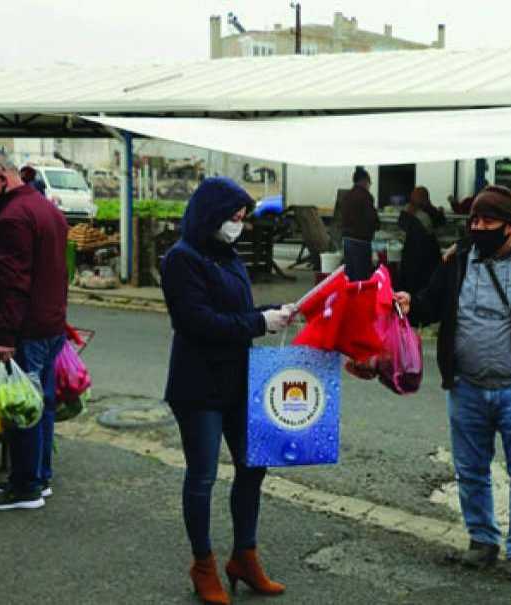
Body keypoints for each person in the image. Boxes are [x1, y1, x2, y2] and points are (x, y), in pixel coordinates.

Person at [395, 185, 511, 582]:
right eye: (474, 221)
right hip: (466, 387)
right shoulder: (459, 259)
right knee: (470, 469)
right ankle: (482, 540)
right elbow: (431, 302)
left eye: (488, 221)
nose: (478, 228)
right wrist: (411, 303)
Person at [161, 177, 296, 604]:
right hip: (198, 386)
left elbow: (235, 313)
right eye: (232, 217)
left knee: (253, 467)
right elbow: (196, 322)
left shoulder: (229, 256)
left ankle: (245, 556)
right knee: (202, 477)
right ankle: (203, 564)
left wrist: (270, 314)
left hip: (239, 380)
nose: (238, 225)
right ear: (210, 214)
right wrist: (258, 324)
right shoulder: (181, 259)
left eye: (241, 218)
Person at [0, 149, 69, 511]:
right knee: (39, 404)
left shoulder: (13, 218)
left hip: (26, 329)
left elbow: (16, 285)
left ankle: (25, 486)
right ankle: (39, 477)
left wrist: (5, 337)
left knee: (20, 408)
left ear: (2, 177)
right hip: (49, 324)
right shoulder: (44, 207)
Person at [397, 187, 444, 304]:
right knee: (425, 286)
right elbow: (441, 221)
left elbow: (401, 225)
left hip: (410, 254)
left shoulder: (407, 210)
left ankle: (411, 310)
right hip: (427, 256)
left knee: (410, 284)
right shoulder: (429, 210)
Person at [338, 166, 379, 281]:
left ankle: (350, 298)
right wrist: (377, 224)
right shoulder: (366, 196)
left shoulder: (347, 196)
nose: (369, 185)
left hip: (347, 240)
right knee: (361, 277)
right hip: (361, 241)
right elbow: (371, 218)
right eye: (369, 182)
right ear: (364, 181)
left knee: (350, 275)